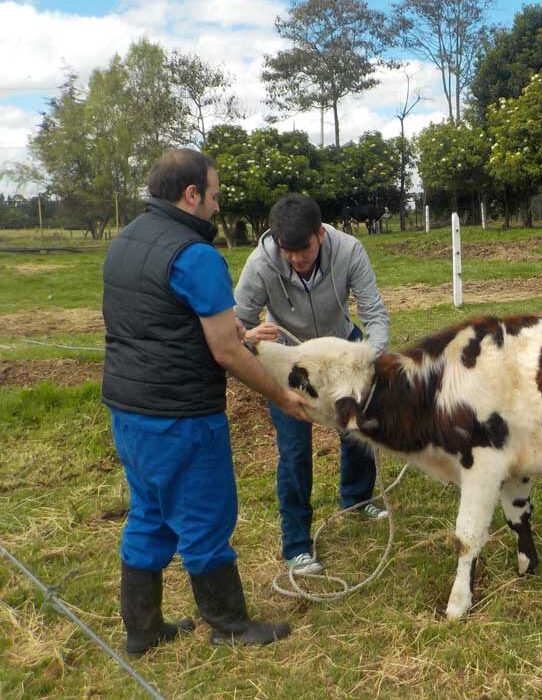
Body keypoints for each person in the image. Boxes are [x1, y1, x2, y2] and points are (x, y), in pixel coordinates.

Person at [102, 148, 311, 654]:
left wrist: (235, 327)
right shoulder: (194, 255)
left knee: (148, 513)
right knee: (205, 518)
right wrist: (282, 394)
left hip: (128, 412)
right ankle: (229, 624)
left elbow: (163, 318)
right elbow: (226, 353)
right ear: (191, 194)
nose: (217, 207)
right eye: (214, 196)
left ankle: (142, 629)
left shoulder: (125, 241)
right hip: (181, 418)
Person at [234, 193, 390, 577]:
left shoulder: (350, 250)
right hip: (292, 364)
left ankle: (356, 499)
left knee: (355, 431)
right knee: (294, 450)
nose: (296, 259)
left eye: (302, 249)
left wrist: (372, 359)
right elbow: (235, 321)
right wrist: (251, 332)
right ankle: (297, 544)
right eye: (287, 251)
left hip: (342, 350)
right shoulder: (261, 263)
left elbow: (373, 312)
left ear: (320, 234)